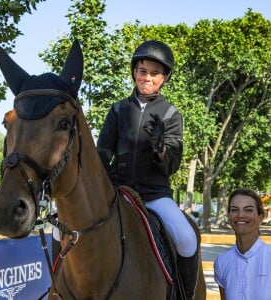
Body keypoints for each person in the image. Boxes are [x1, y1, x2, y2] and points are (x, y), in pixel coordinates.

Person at [97, 40, 198, 299]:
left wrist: (160, 148)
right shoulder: (118, 109)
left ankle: (184, 296)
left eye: (155, 73)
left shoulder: (171, 114)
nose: (147, 78)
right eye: (143, 71)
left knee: (187, 239)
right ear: (134, 72)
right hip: (119, 193)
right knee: (58, 230)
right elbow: (102, 154)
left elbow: (172, 163)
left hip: (155, 196)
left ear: (163, 78)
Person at [214, 188, 271, 300]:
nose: (240, 215)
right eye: (234, 210)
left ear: (260, 218)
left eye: (248, 210)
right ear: (229, 216)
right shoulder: (222, 262)